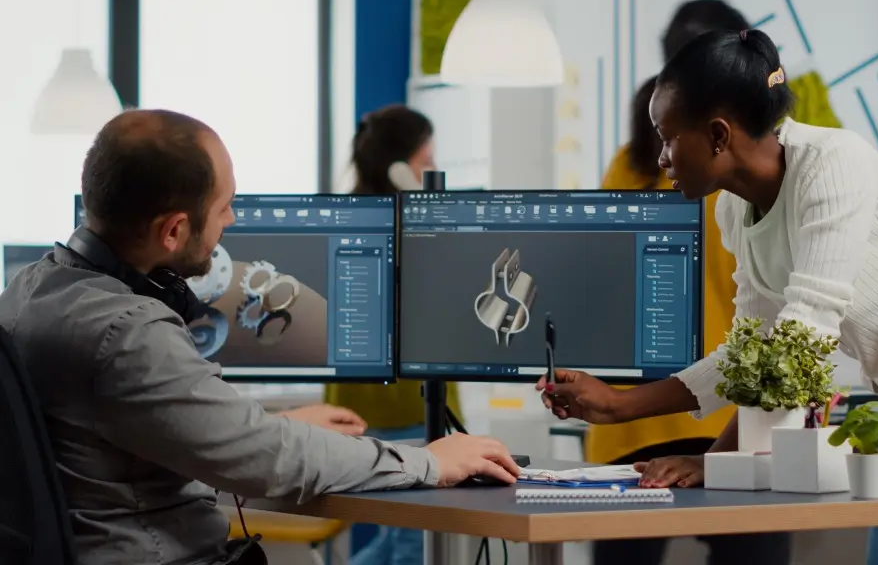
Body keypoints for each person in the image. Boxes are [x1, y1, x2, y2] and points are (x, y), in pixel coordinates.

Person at [538, 30, 878, 565]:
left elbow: (801, 341)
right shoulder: (733, 211)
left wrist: (644, 415)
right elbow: (753, 353)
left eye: (669, 137)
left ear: (718, 135)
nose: (662, 156)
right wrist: (679, 437)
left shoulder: (832, 163)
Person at [0, 109, 520, 565]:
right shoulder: (130, 332)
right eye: (225, 204)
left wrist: (269, 424)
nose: (231, 218)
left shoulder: (27, 292)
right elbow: (270, 463)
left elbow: (129, 428)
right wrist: (430, 462)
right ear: (174, 230)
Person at [589, 0, 842, 565]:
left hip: (725, 411)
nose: (669, 162)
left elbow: (798, 331)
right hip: (717, 408)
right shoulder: (717, 191)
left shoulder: (807, 171)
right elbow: (764, 340)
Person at [325, 104, 460, 564]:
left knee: (393, 535)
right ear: (401, 166)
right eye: (427, 160)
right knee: (412, 540)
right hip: (407, 402)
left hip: (358, 401)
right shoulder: (412, 224)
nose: (434, 170)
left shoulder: (346, 215)